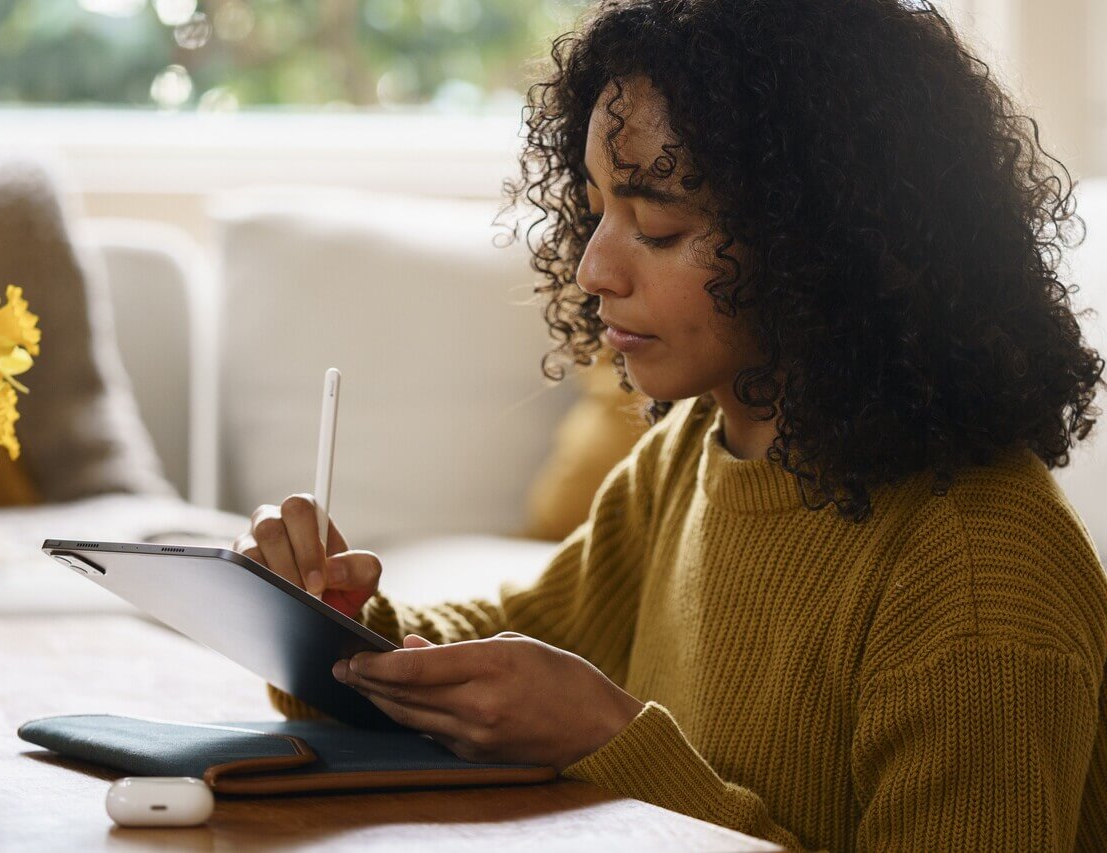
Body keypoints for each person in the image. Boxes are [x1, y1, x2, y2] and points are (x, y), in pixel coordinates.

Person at [233, 0, 1107, 849]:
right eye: (596, 204)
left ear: (824, 244)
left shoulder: (977, 580)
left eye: (654, 222)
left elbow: (592, 729)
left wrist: (611, 741)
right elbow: (515, 640)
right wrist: (334, 621)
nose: (592, 265)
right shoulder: (699, 449)